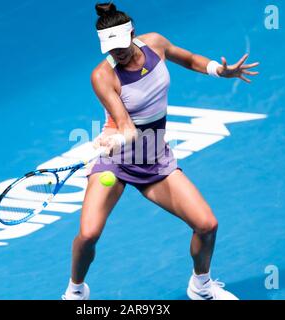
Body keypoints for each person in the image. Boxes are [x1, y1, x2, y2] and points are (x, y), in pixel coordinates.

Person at [62, 2, 259, 300]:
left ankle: (201, 286)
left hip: (154, 161)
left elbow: (190, 59)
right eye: (111, 48)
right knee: (89, 235)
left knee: (207, 225)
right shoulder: (103, 76)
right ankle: (76, 291)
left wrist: (220, 71)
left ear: (133, 33)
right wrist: (114, 142)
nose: (118, 52)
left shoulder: (155, 43)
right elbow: (126, 126)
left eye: (122, 44)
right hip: (116, 162)